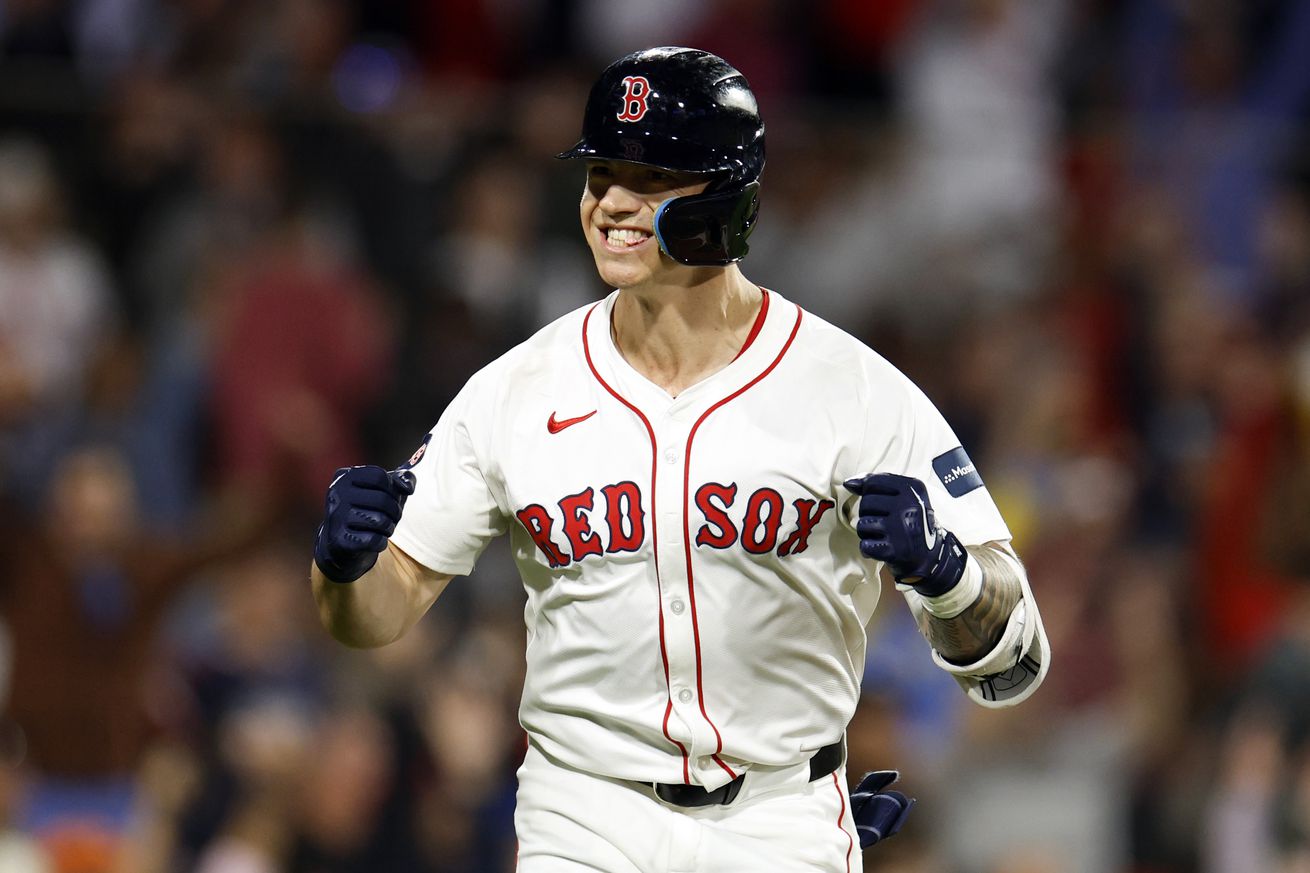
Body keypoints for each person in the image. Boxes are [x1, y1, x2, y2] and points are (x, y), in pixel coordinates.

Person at [311, 46, 1050, 873]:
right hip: (582, 815)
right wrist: (344, 568)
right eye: (601, 174)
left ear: (728, 197)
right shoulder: (515, 389)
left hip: (781, 816)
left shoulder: (855, 390)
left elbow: (1015, 663)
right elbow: (373, 616)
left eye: (651, 176)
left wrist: (945, 571)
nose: (613, 203)